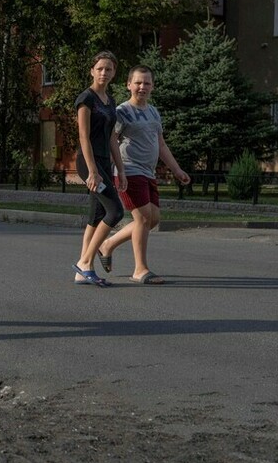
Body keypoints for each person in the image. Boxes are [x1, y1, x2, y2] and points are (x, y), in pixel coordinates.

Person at [96, 66, 191, 284]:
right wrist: (110, 173)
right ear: (128, 85)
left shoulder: (153, 112)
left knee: (153, 219)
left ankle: (107, 245)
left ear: (152, 86)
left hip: (148, 173)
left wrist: (176, 169)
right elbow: (111, 141)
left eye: (146, 83)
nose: (142, 87)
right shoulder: (121, 111)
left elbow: (161, 144)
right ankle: (140, 269)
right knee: (143, 218)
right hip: (128, 170)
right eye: (138, 82)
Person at [72, 51, 126, 287]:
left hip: (105, 162)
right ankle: (84, 263)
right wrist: (92, 171)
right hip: (89, 162)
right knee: (115, 212)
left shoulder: (110, 101)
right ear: (92, 71)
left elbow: (113, 138)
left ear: (114, 73)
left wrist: (120, 169)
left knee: (95, 217)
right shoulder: (87, 99)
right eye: (100, 68)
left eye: (109, 69)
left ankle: (82, 271)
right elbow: (84, 137)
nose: (104, 73)